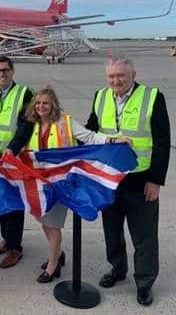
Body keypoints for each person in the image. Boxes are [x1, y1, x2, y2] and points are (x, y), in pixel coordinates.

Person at [85, 55, 170, 306]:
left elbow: (162, 142)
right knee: (112, 230)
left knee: (144, 235)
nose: (116, 80)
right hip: (109, 179)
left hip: (140, 180)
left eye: (121, 75)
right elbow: (91, 131)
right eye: (111, 76)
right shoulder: (101, 96)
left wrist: (155, 180)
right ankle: (117, 269)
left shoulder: (152, 97)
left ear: (133, 74)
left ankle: (144, 282)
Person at [24, 86, 130, 283]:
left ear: (53, 104)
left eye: (45, 103)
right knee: (44, 223)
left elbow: (89, 136)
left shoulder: (65, 122)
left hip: (61, 184)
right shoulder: (32, 124)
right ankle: (59, 254)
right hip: (39, 184)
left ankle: (52, 266)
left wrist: (111, 140)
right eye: (38, 103)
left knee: (53, 225)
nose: (41, 106)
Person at [0, 56, 34, 268]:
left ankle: (16, 248)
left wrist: (12, 149)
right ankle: (7, 239)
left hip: (15, 156)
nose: (1, 74)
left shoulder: (24, 93)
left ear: (12, 71)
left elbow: (26, 125)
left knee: (14, 202)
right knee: (1, 197)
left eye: (5, 70)